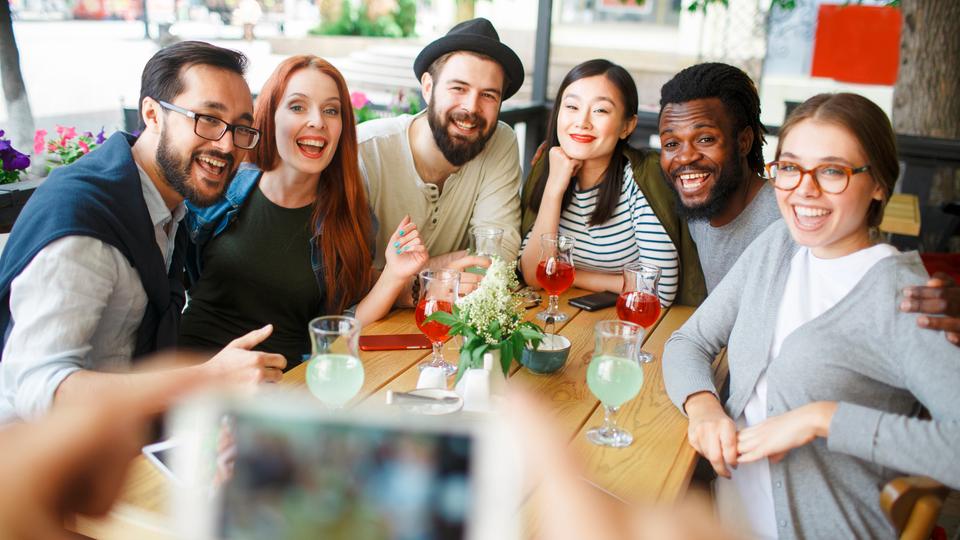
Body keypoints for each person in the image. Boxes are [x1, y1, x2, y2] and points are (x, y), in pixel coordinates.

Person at [662, 93, 960, 539]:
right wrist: (703, 407)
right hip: (723, 519)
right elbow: (689, 341)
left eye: (832, 171)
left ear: (878, 184)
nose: (804, 188)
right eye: (790, 167)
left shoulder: (903, 297)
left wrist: (821, 418)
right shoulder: (779, 244)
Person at [0, 41, 286, 424]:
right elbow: (37, 391)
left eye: (240, 128)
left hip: (123, 445)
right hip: (41, 469)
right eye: (208, 119)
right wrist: (204, 378)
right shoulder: (86, 225)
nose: (226, 143)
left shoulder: (167, 205)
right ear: (152, 114)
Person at [180, 55, 427, 369]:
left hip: (281, 386)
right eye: (298, 107)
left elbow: (340, 329)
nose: (317, 121)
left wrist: (394, 274)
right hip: (192, 376)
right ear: (270, 116)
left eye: (331, 110)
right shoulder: (222, 185)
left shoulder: (348, 217)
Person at [357, 17, 525, 304]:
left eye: (488, 95)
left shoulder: (500, 142)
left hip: (449, 325)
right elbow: (345, 278)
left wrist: (414, 276)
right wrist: (434, 276)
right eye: (458, 88)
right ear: (427, 87)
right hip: (365, 329)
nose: (471, 107)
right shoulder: (365, 151)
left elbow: (497, 260)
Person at [519, 59, 705, 307]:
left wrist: (566, 275)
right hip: (562, 315)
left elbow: (658, 290)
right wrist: (554, 188)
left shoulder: (641, 177)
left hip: (632, 324)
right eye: (572, 106)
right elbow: (533, 275)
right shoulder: (549, 167)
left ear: (627, 126)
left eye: (601, 111)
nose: (582, 121)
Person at [658, 62, 781, 294]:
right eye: (672, 144)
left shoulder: (783, 221)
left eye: (705, 139)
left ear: (744, 141)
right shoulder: (699, 215)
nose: (685, 158)